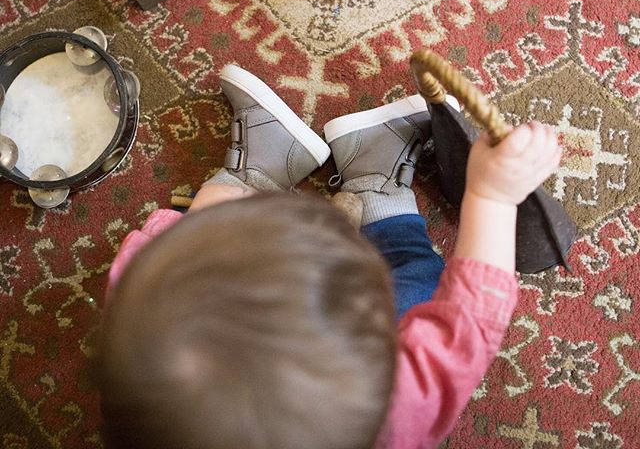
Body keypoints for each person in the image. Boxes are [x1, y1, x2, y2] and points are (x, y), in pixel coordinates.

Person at [97, 64, 562, 449]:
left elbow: (147, 273)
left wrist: (192, 235)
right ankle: (375, 189)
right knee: (421, 282)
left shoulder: (141, 322)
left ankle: (255, 174)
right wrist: (493, 197)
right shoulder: (396, 412)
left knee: (185, 252)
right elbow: (468, 325)